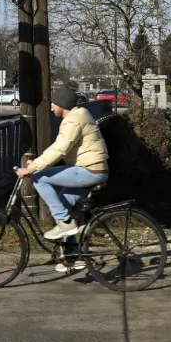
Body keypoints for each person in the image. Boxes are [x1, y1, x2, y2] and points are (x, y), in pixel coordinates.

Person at [16, 87, 109, 241]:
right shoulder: (79, 115)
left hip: (89, 171)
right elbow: (59, 148)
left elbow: (60, 149)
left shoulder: (73, 120)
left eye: (54, 103)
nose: (52, 107)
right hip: (92, 169)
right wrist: (38, 162)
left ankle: (65, 223)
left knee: (39, 177)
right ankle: (71, 257)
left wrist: (32, 168)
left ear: (62, 105)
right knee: (62, 205)